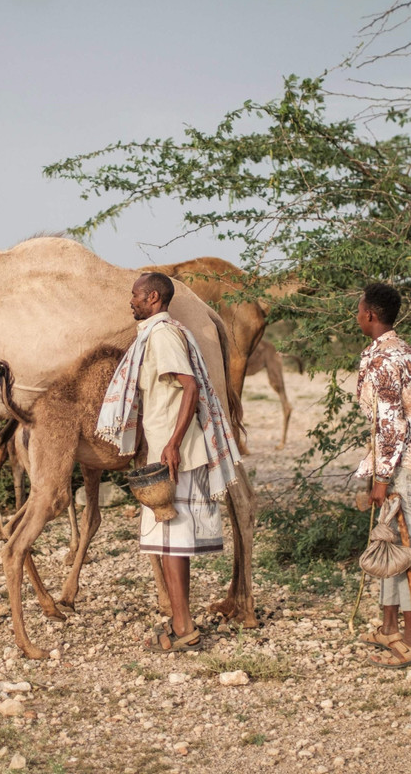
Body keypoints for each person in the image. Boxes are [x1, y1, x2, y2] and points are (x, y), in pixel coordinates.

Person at [96, 272, 241, 653]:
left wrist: (173, 443)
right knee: (170, 544)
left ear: (153, 298)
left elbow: (189, 385)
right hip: (168, 450)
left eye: (136, 295)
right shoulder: (159, 333)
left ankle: (183, 626)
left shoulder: (161, 336)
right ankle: (181, 622)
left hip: (175, 455)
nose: (131, 301)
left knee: (172, 542)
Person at [354, 283, 411, 668]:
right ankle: (389, 628)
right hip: (410, 459)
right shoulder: (409, 352)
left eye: (359, 310)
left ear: (370, 314)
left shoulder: (385, 360)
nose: (357, 315)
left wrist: (381, 478)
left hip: (404, 463)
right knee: (391, 542)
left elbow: (391, 424)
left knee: (406, 549)